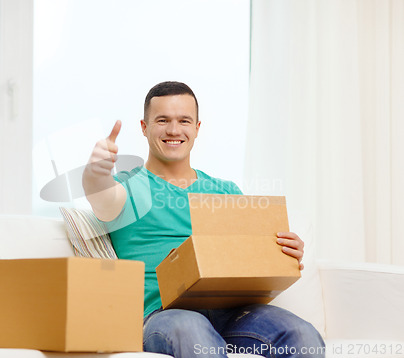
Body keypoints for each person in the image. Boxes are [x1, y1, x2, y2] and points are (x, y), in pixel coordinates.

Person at [82, 81, 325, 358]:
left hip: (234, 312)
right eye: (163, 120)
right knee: (191, 329)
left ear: (197, 128)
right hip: (166, 315)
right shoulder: (127, 188)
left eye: (184, 120)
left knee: (302, 335)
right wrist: (96, 172)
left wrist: (285, 250)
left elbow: (254, 256)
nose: (174, 130)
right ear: (144, 127)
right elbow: (100, 196)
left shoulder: (225, 191)